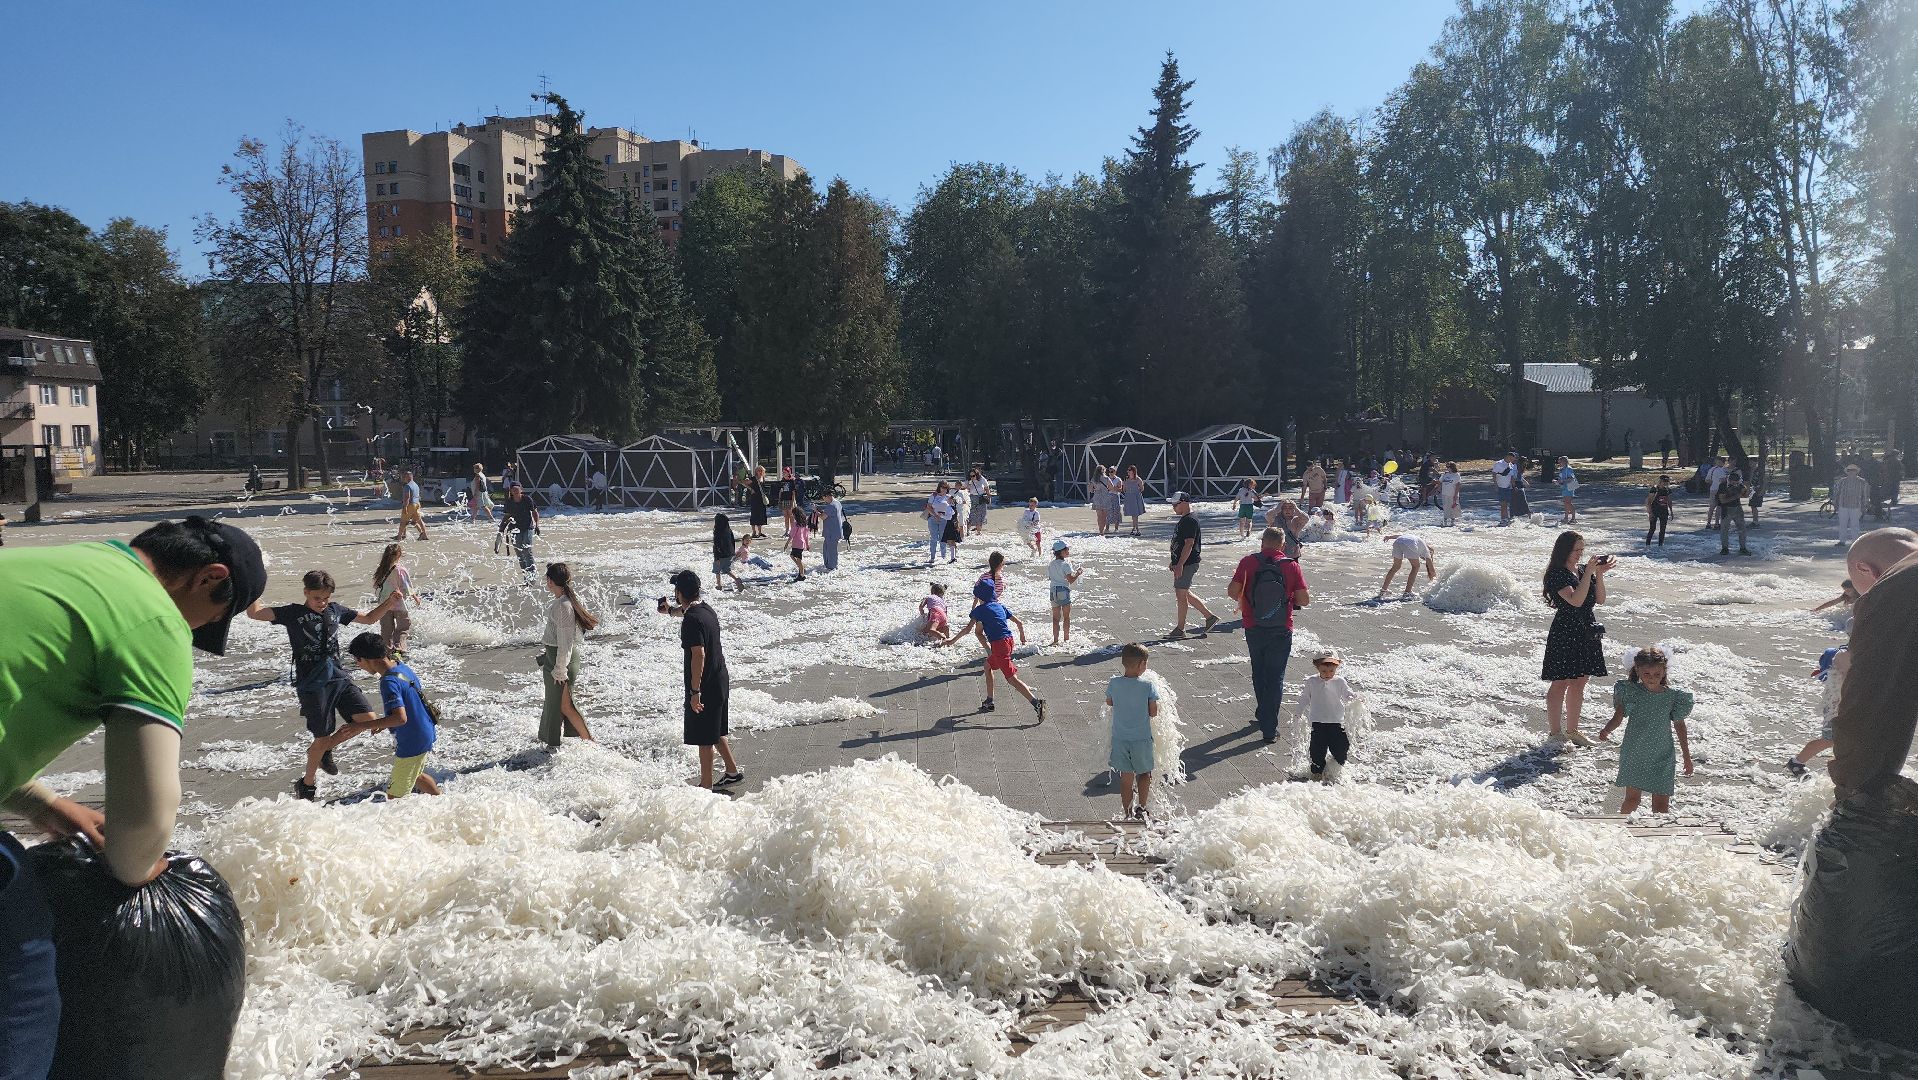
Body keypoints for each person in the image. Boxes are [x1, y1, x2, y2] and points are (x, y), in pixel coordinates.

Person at [0, 517, 267, 1078]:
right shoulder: (153, 618)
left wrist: (40, 801)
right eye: (215, 619)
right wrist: (139, 861)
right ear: (209, 579)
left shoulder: (59, 566)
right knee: (21, 974)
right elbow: (142, 825)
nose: (198, 632)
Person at [246, 569, 406, 800]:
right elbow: (256, 613)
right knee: (320, 738)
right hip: (313, 685)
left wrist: (389, 603)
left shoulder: (335, 610)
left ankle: (324, 750)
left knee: (369, 721)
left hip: (339, 677)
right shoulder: (292, 613)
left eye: (326, 598)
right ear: (306, 593)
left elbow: (370, 619)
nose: (322, 603)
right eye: (317, 598)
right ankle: (307, 784)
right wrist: (252, 584)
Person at [1227, 526, 1312, 745]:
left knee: (1259, 670)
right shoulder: (1291, 565)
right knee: (1276, 676)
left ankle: (1263, 713)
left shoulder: (1248, 562)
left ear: (1262, 542)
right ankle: (1269, 726)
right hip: (1281, 627)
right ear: (1283, 545)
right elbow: (1304, 600)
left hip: (1253, 624)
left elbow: (1232, 592)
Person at [660, 570, 742, 790]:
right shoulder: (706, 610)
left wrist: (695, 692)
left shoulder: (691, 620)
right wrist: (669, 611)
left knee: (705, 738)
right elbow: (686, 611)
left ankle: (706, 786)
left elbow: (699, 655)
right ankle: (732, 771)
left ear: (678, 592)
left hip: (705, 685)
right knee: (715, 730)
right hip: (719, 678)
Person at [1596, 646, 1694, 814]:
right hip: (1635, 751)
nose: (1652, 678)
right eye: (1646, 674)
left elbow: (1680, 726)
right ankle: (1622, 830)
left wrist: (1686, 755)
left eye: (1657, 674)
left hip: (1662, 754)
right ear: (1638, 671)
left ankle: (1657, 838)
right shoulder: (1631, 692)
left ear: (1664, 672)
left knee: (1662, 804)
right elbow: (1618, 716)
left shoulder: (1673, 697)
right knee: (1633, 799)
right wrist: (1607, 729)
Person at [343, 633, 441, 799]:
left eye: (358, 661)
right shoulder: (401, 667)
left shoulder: (388, 682)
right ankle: (444, 803)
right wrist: (384, 722)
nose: (359, 666)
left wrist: (359, 726)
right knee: (417, 775)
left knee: (394, 796)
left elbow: (400, 718)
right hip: (425, 731)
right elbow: (408, 705)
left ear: (368, 659)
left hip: (412, 741)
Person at [1540, 530, 1613, 747]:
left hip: (1586, 629)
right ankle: (1555, 733)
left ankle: (1573, 730)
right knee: (1561, 681)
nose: (1580, 554)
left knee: (1580, 681)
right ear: (1564, 550)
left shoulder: (1583, 570)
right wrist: (1589, 571)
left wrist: (1598, 574)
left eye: (1582, 549)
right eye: (1576, 550)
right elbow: (1576, 600)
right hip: (1565, 629)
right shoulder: (1556, 573)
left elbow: (1600, 600)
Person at [938, 580, 1047, 720]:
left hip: (999, 645)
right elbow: (1019, 622)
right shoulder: (999, 606)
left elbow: (967, 630)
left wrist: (951, 641)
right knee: (987, 666)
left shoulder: (979, 611)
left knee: (1011, 679)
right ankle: (989, 701)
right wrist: (1022, 636)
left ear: (980, 597)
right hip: (1009, 641)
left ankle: (1036, 703)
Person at [538, 563, 597, 746]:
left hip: (561, 660)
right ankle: (566, 742)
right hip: (557, 658)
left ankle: (590, 743)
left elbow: (565, 642)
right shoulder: (563, 602)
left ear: (549, 581)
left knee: (564, 705)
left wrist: (560, 669)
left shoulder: (563, 606)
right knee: (558, 703)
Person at [1105, 643, 1161, 819]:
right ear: (1142, 664)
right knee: (1144, 773)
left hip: (1120, 738)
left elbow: (1109, 702)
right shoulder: (1148, 686)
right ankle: (1142, 808)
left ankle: (1127, 813)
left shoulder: (1114, 683)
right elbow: (1153, 712)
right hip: (1141, 739)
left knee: (1125, 777)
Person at [1294, 649, 1360, 783]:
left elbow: (1347, 695)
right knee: (1317, 749)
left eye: (1331, 671)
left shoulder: (1340, 681)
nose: (1328, 674)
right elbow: (1305, 698)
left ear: (1336, 668)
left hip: (1337, 721)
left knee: (1341, 747)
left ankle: (1336, 767)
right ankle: (1317, 771)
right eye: (1324, 671)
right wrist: (1298, 711)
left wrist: (1356, 698)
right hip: (1318, 722)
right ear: (1317, 667)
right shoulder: (1312, 681)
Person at [1788, 646, 1848, 777]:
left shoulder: (1850, 653)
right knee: (1829, 740)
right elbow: (1846, 681)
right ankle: (1796, 762)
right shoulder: (1844, 655)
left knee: (1841, 740)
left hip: (1838, 703)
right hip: (1836, 705)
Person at [1167, 492, 1219, 640]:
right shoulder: (1185, 519)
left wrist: (1180, 564)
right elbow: (1180, 543)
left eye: (1175, 505)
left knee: (1181, 594)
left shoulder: (1189, 520)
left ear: (1184, 502)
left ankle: (1180, 628)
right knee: (1185, 593)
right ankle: (1209, 617)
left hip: (1188, 563)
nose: (1173, 508)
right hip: (1184, 562)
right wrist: (1175, 561)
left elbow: (1189, 544)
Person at [372, 543, 414, 657]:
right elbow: (406, 586)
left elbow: (376, 586)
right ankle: (398, 649)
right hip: (399, 605)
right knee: (403, 628)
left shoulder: (381, 570)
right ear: (399, 555)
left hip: (384, 606)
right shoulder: (400, 570)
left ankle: (386, 653)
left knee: (386, 630)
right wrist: (414, 597)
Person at [1377, 532, 1437, 600]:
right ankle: (1407, 591)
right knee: (1416, 567)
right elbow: (1431, 570)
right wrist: (1437, 584)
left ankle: (1384, 589)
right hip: (1410, 544)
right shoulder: (1427, 551)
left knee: (1395, 567)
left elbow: (1400, 536)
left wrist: (1389, 537)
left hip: (1398, 541)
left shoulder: (1420, 542)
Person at [497, 483, 540, 574]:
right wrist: (501, 529)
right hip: (514, 529)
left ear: (521, 490)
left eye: (517, 489)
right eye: (513, 489)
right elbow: (507, 516)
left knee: (527, 550)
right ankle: (526, 575)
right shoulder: (509, 502)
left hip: (527, 527)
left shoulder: (527, 499)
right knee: (519, 552)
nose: (515, 491)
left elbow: (534, 512)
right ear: (511, 491)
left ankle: (532, 574)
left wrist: (537, 525)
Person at [1047, 539, 1084, 645]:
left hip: (1053, 591)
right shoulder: (1065, 564)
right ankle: (1066, 639)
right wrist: (1078, 573)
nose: (1068, 551)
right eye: (1066, 549)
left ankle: (1055, 640)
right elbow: (1070, 580)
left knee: (1055, 618)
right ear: (1061, 551)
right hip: (1063, 590)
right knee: (1066, 617)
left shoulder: (1051, 564)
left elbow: (1050, 577)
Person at [1715, 470, 1751, 556]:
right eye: (1734, 483)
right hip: (1726, 509)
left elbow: (1745, 495)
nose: (1736, 484)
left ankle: (1743, 548)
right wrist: (1737, 496)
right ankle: (1725, 548)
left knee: (1742, 529)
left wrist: (1747, 490)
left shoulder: (1739, 484)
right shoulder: (1723, 486)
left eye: (1737, 483)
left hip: (1737, 508)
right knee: (1724, 530)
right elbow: (1723, 500)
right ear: (1730, 481)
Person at [1833, 463, 1870, 545]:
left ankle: (1855, 541)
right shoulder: (1842, 481)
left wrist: (1865, 505)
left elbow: (1865, 494)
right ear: (1847, 472)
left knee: (1855, 525)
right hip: (1843, 505)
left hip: (1856, 506)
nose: (1851, 472)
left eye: (1853, 470)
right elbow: (1837, 493)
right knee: (1843, 524)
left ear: (1856, 472)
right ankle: (1842, 541)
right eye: (1849, 471)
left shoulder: (1862, 482)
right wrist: (1835, 502)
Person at [924, 481, 955, 566]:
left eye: (946, 488)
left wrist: (952, 501)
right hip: (933, 518)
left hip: (944, 519)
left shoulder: (948, 497)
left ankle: (943, 556)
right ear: (939, 487)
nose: (944, 489)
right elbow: (928, 507)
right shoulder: (933, 496)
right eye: (942, 487)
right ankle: (932, 557)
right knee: (933, 538)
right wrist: (935, 515)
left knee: (943, 538)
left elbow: (952, 509)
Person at [712, 513, 743, 593]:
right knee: (726, 569)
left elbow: (716, 545)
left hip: (720, 554)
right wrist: (733, 552)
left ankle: (719, 585)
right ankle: (736, 579)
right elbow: (732, 541)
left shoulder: (717, 532)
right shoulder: (728, 530)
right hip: (729, 553)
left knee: (717, 570)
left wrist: (716, 558)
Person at [395, 468, 429, 540]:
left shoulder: (407, 486)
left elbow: (407, 497)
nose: (403, 478)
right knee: (419, 521)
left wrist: (405, 507)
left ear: (408, 477)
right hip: (417, 504)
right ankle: (424, 535)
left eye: (404, 476)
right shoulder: (416, 485)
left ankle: (399, 537)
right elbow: (418, 495)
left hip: (410, 505)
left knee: (403, 521)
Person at [1645, 475, 1674, 546]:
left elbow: (1669, 501)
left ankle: (1660, 545)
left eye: (1667, 482)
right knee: (1652, 528)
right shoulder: (1654, 489)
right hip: (1654, 510)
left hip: (1664, 511)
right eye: (1664, 482)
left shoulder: (1667, 490)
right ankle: (1647, 544)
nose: (1665, 483)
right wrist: (1650, 513)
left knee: (1663, 529)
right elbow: (1648, 502)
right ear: (1660, 481)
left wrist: (1671, 511)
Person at [819, 490, 844, 572]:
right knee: (826, 548)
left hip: (831, 532)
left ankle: (832, 566)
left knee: (831, 550)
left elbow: (823, 517)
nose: (824, 500)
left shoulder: (831, 506)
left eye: (824, 498)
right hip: (835, 530)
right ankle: (828, 564)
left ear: (828, 496)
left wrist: (815, 511)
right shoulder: (837, 503)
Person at [787, 500, 811, 581]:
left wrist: (787, 543)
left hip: (797, 543)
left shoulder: (795, 524)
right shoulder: (804, 524)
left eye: (793, 514)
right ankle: (801, 569)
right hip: (802, 544)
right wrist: (807, 545)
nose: (792, 515)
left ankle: (802, 574)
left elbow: (791, 535)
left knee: (797, 559)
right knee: (795, 557)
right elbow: (806, 536)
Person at [1705, 454, 1731, 528]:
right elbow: (1723, 480)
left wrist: (1713, 482)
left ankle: (1708, 523)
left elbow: (1707, 480)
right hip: (1720, 490)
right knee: (1719, 507)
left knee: (1711, 507)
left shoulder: (1712, 469)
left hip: (1713, 489)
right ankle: (1717, 523)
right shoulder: (1723, 470)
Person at [1492, 452, 1517, 525]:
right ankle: (1503, 519)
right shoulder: (1499, 463)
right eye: (1511, 459)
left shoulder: (1511, 465)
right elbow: (1494, 474)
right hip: (1501, 486)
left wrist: (1514, 486)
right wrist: (1495, 485)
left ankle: (1506, 518)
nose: (1511, 461)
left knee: (1507, 503)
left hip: (1508, 487)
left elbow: (1511, 476)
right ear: (1508, 457)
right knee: (1503, 503)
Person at [1121, 465, 1147, 536]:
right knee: (1133, 514)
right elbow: (1124, 489)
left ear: (1133, 471)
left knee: (1135, 514)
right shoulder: (1126, 479)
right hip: (1129, 497)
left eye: (1129, 470)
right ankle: (1134, 528)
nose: (1128, 471)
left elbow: (1142, 488)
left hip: (1136, 497)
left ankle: (1137, 529)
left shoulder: (1138, 479)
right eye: (1128, 470)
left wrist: (1136, 492)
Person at [966, 468, 991, 536]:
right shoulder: (969, 481)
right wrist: (969, 484)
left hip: (981, 497)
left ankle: (978, 531)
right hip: (972, 497)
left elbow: (986, 487)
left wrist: (988, 495)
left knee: (981, 514)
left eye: (973, 476)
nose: (972, 477)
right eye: (970, 476)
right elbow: (966, 489)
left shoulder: (982, 479)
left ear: (977, 474)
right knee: (971, 514)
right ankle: (967, 530)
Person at [746, 466, 769, 539]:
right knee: (754, 514)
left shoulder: (763, 478)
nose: (760, 472)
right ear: (756, 471)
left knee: (761, 514)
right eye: (759, 470)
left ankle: (760, 532)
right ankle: (754, 532)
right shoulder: (753, 478)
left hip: (761, 498)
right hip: (754, 498)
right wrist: (750, 489)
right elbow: (743, 482)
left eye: (761, 470)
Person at [1438, 462, 1461, 527]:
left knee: (1452, 508)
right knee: (1445, 507)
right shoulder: (1445, 474)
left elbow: (1458, 485)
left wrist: (1456, 495)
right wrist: (1438, 490)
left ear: (1452, 467)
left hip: (1452, 493)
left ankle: (1452, 521)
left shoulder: (1456, 475)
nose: (1447, 468)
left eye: (1448, 467)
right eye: (1447, 467)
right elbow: (1440, 482)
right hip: (1445, 493)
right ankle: (1445, 520)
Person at [1556, 456, 1578, 524]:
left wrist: (1562, 480)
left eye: (1560, 462)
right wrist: (1557, 481)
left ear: (1564, 462)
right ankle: (1566, 518)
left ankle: (1574, 518)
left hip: (1570, 486)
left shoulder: (1569, 469)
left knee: (1568, 502)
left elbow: (1571, 478)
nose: (1559, 463)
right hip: (1564, 487)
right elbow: (1561, 478)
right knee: (1566, 503)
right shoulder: (1562, 469)